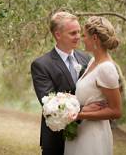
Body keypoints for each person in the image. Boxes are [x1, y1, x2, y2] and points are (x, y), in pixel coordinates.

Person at [31, 11, 94, 155]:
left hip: (87, 135)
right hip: (56, 139)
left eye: (79, 32)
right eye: (73, 33)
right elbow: (50, 104)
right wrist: (90, 110)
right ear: (58, 35)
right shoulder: (41, 65)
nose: (78, 36)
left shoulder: (87, 59)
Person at [64, 16, 122, 155]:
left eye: (84, 35)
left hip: (93, 135)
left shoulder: (106, 68)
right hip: (81, 131)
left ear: (94, 38)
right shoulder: (92, 62)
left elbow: (116, 111)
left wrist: (80, 115)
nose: (81, 38)